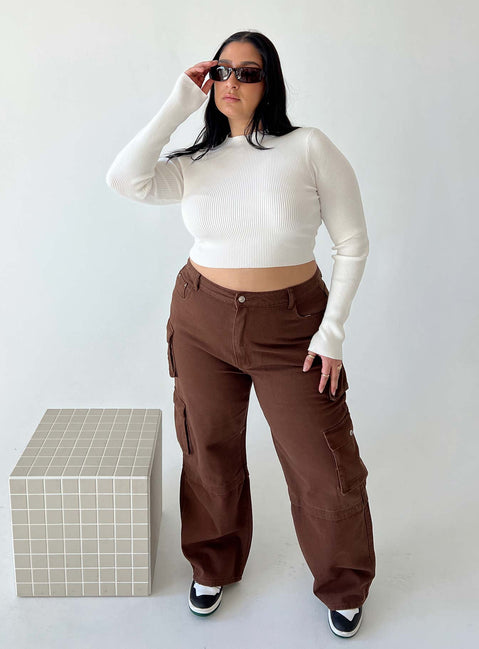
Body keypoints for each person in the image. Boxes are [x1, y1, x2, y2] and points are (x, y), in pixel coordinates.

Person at [105, 30, 376, 638]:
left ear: (268, 82)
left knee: (322, 460)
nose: (232, 82)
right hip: (200, 318)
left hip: (293, 325)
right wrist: (178, 102)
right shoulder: (196, 161)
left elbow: (352, 243)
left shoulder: (308, 147)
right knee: (208, 448)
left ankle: (343, 582)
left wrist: (331, 331)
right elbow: (124, 179)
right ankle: (213, 563)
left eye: (247, 72)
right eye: (222, 71)